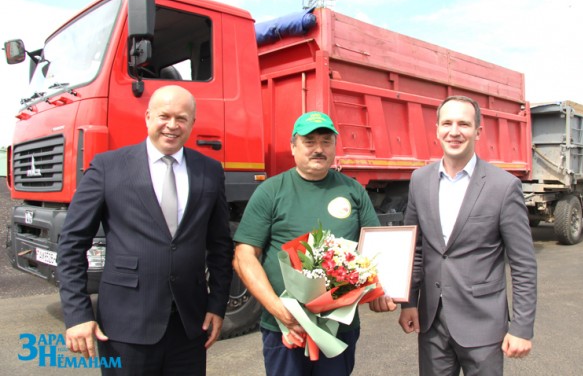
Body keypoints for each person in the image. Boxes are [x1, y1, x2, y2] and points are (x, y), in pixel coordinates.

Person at [57, 85, 233, 375]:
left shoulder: (210, 171)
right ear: (148, 117)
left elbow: (220, 246)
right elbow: (72, 244)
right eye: (164, 116)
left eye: (182, 118)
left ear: (192, 123)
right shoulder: (108, 167)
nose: (172, 126)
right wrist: (77, 314)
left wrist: (217, 305)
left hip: (190, 326)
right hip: (126, 326)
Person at [371, 95, 537, 375]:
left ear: (478, 131)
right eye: (447, 123)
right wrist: (409, 302)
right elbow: (415, 249)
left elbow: (523, 263)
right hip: (432, 323)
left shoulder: (503, 186)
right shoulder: (419, 180)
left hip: (483, 325)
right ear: (436, 130)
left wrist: (521, 328)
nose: (454, 131)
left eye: (464, 124)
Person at [232, 111, 381, 376]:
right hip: (286, 328)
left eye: (326, 141)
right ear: (293, 147)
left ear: (335, 146)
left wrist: (384, 291)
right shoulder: (271, 191)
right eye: (309, 142)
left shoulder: (353, 190)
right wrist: (281, 311)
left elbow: (378, 248)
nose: (319, 149)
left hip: (339, 329)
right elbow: (244, 256)